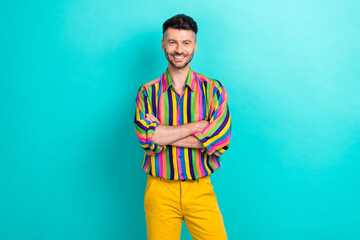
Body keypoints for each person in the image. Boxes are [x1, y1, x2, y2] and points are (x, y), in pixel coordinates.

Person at [134, 14, 232, 240]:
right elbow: (145, 139)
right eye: (173, 42)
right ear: (163, 45)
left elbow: (219, 141)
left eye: (186, 42)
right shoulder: (147, 93)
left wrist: (161, 135)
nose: (179, 49)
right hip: (159, 191)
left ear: (195, 46)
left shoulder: (213, 91)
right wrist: (198, 127)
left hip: (200, 189)